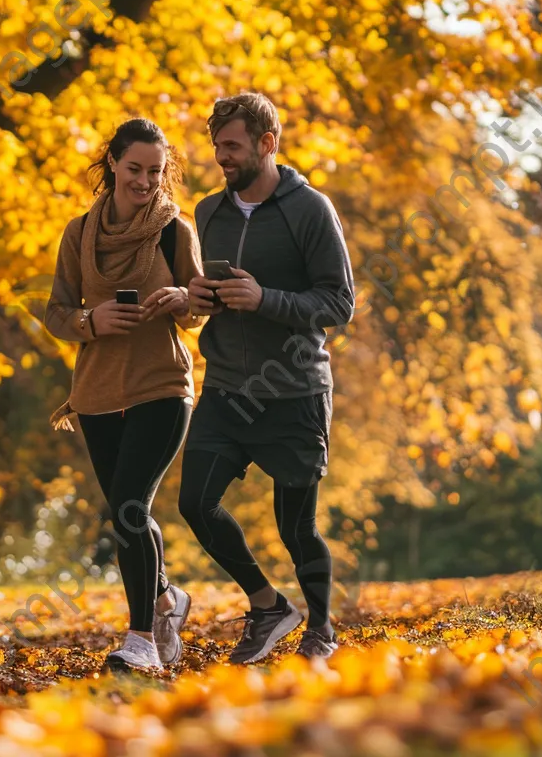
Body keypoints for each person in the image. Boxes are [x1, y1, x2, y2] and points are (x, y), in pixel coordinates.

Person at [179, 92, 356, 664]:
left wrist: (265, 300)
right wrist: (200, 297)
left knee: (296, 528)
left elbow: (338, 302)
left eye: (231, 146)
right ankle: (268, 606)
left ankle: (321, 631)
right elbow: (208, 291)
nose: (221, 158)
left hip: (294, 389)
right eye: (216, 148)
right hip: (227, 386)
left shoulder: (310, 210)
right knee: (194, 503)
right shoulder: (208, 212)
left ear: (267, 143)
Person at [43, 117, 205, 672]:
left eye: (156, 171)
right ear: (112, 163)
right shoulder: (79, 232)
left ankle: (141, 641)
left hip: (161, 385)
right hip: (95, 394)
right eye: (135, 169)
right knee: (127, 513)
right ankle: (166, 599)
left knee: (131, 504)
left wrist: (183, 296)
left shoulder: (173, 230)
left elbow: (198, 313)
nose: (145, 182)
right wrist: (93, 318)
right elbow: (56, 313)